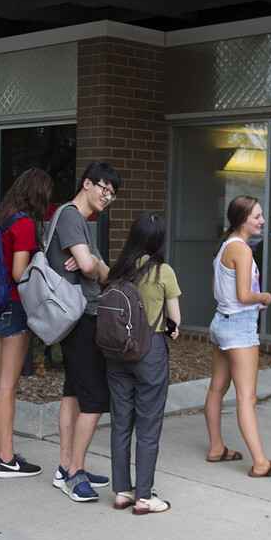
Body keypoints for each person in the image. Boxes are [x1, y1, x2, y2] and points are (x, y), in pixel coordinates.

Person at [47, 161, 121, 501]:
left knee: (74, 393)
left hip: (82, 315)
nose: (108, 197)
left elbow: (105, 271)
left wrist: (92, 261)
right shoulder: (71, 217)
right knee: (94, 399)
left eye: (113, 194)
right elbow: (95, 268)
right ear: (88, 183)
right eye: (105, 189)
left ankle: (66, 467)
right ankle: (74, 473)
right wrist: (91, 263)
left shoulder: (83, 223)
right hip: (80, 317)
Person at [105, 212, 181, 514]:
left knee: (121, 424)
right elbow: (177, 321)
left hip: (116, 354)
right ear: (159, 239)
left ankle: (122, 491)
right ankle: (145, 496)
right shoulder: (163, 272)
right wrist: (171, 326)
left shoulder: (118, 270)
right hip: (150, 354)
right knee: (148, 426)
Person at [204, 195, 271, 477]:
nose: (262, 221)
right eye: (257, 216)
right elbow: (244, 295)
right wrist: (264, 297)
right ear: (241, 220)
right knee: (247, 398)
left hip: (221, 323)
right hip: (239, 327)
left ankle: (216, 447)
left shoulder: (224, 245)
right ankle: (261, 462)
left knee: (217, 388)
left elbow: (217, 291)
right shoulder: (243, 250)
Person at [0, 168, 52, 478]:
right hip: (14, 306)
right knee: (8, 386)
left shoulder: (1, 217)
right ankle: (8, 460)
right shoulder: (23, 224)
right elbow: (19, 272)